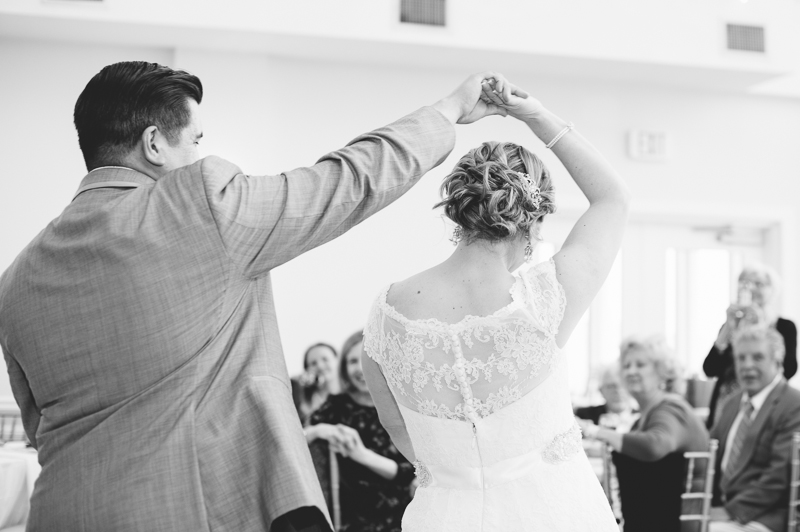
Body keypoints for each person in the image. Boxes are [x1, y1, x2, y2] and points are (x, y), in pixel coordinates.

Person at [0, 61, 511, 532]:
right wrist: (449, 110)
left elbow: (37, 422)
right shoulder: (196, 205)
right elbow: (347, 181)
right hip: (198, 508)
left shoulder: (17, 279)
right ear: (154, 143)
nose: (199, 154)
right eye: (194, 140)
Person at [361, 78, 630, 530]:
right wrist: (536, 116)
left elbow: (401, 431)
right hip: (555, 512)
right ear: (534, 218)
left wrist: (460, 477)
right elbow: (613, 198)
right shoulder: (545, 298)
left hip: (443, 517)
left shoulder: (386, 313)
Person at [580, 335, 709, 532]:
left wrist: (596, 431)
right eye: (626, 365)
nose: (631, 371)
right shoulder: (646, 415)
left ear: (662, 372)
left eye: (641, 365)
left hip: (679, 523)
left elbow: (653, 445)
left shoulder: (670, 409)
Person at [306, 331, 415, 532]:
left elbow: (412, 472)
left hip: (402, 516)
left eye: (367, 359)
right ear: (345, 368)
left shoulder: (401, 405)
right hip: (353, 519)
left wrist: (361, 454)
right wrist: (318, 430)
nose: (361, 368)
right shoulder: (336, 406)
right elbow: (298, 439)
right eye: (353, 361)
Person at [708, 325, 800, 532]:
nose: (747, 366)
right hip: (720, 508)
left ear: (777, 361)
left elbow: (779, 476)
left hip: (767, 516)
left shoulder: (794, 405)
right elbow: (708, 452)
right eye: (741, 358)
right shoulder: (732, 403)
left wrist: (731, 511)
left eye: (758, 357)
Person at [703, 265, 797, 428]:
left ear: (772, 290)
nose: (752, 288)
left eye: (759, 284)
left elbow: (788, 370)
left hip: (766, 403)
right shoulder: (731, 326)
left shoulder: (785, 326)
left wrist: (761, 324)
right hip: (726, 402)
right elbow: (709, 369)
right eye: (746, 283)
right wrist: (728, 328)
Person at [292, 343, 340, 426]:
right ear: (307, 370)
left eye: (325, 359)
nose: (320, 366)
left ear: (338, 361)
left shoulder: (353, 393)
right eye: (313, 363)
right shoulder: (301, 400)